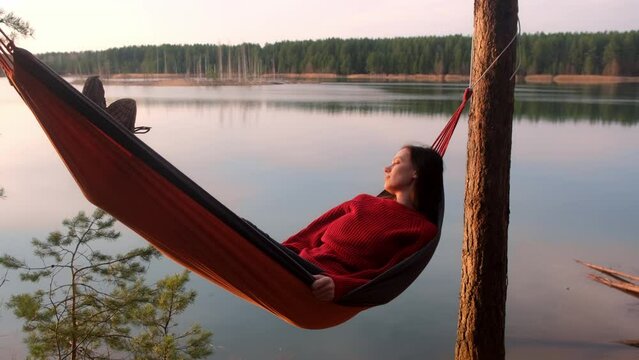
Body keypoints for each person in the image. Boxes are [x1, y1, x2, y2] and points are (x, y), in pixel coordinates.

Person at [282, 145, 443, 301]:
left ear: (416, 172)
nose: (386, 169)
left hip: (321, 282)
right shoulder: (362, 201)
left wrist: (339, 286)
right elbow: (308, 236)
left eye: (396, 163)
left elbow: (384, 280)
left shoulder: (422, 230)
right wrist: (273, 255)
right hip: (295, 266)